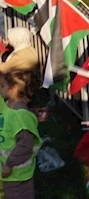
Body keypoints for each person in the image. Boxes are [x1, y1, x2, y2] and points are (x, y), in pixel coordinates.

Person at [0, 70, 40, 199]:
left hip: (17, 171)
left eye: (2, 86)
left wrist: (9, 165)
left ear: (13, 89)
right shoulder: (7, 104)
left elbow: (25, 145)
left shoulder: (21, 116)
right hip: (10, 170)